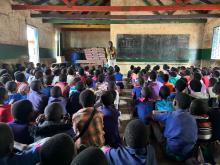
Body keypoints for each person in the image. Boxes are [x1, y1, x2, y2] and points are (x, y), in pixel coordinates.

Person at [152, 93, 197, 161]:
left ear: (175, 102)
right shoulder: (192, 118)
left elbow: (153, 116)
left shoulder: (170, 115)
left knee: (153, 123)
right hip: (188, 153)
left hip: (171, 153)